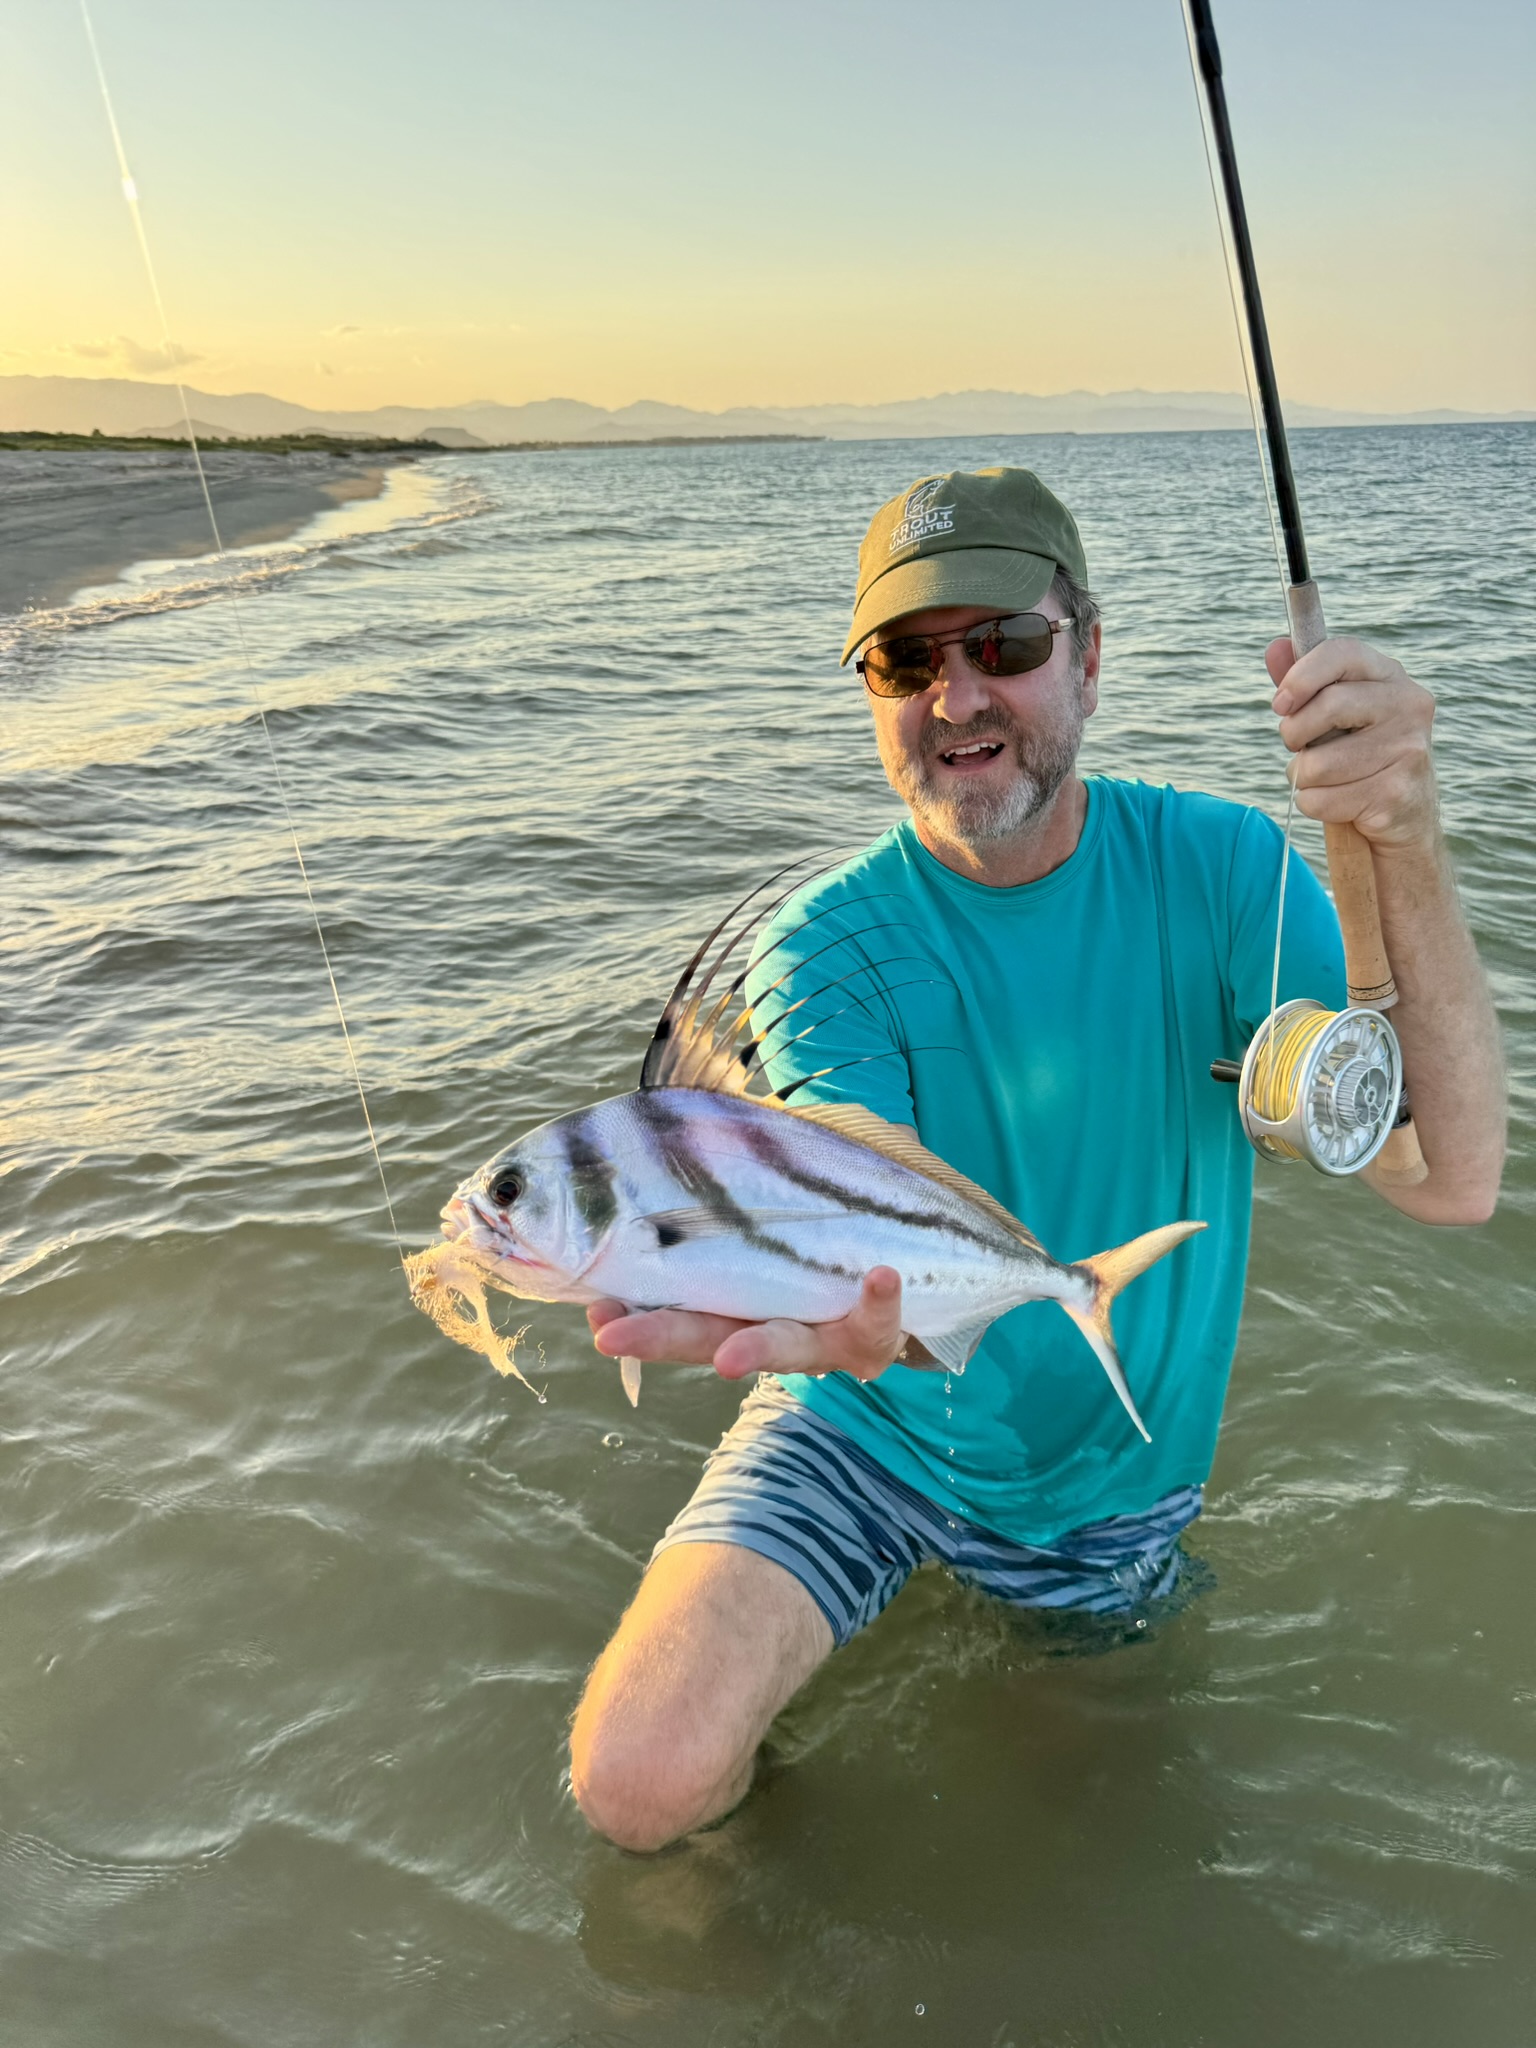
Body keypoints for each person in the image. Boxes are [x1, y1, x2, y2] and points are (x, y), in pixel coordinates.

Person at [568, 467, 1505, 1853]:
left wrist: (1400, 842)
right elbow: (848, 1213)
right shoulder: (819, 945)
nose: (958, 698)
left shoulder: (1227, 873)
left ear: (1091, 657)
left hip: (1105, 1485)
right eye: (906, 662)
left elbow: (1450, 1178)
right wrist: (833, 1320)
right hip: (859, 1427)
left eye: (1003, 644)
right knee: (638, 1780)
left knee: (1080, 1836)